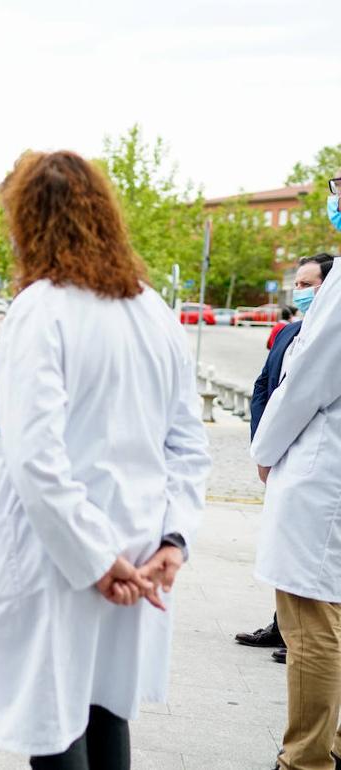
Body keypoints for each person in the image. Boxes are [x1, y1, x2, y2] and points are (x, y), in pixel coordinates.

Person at [0, 151, 210, 768]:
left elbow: (36, 459)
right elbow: (188, 445)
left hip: (62, 560)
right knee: (107, 715)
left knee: (55, 729)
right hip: (137, 551)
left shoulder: (41, 309)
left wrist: (96, 562)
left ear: (28, 222)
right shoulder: (152, 311)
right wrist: (171, 542)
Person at [252, 243, 341, 769]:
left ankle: (306, 758)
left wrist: (265, 449)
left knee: (310, 621)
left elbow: (309, 377)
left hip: (324, 475)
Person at [237, 253, 333, 664]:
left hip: (316, 472)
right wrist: (263, 442)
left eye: (309, 284)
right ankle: (282, 628)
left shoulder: (331, 320)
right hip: (288, 456)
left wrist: (268, 449)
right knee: (293, 577)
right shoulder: (289, 332)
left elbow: (304, 393)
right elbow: (266, 386)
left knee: (314, 608)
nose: (301, 292)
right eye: (297, 284)